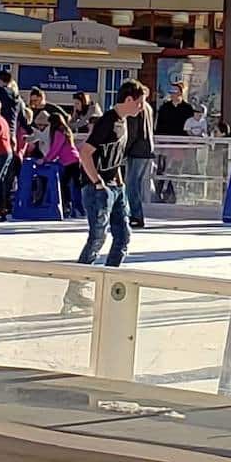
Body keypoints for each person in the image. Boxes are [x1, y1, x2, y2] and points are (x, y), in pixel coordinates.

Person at [62, 80, 144, 313]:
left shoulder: (125, 122)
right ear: (128, 100)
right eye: (139, 103)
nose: (141, 107)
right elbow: (85, 153)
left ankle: (108, 288)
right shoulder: (107, 121)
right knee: (97, 237)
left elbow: (115, 156)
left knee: (123, 236)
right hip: (98, 188)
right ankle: (76, 290)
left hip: (115, 187)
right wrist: (97, 183)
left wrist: (118, 183)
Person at [123, 83, 155, 229]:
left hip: (137, 150)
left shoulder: (137, 108)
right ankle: (134, 213)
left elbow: (132, 132)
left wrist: (124, 149)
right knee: (136, 183)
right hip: (147, 149)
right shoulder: (148, 107)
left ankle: (136, 215)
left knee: (131, 184)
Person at [45, 110, 84, 219]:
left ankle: (70, 206)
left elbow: (55, 149)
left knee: (65, 185)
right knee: (76, 185)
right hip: (74, 159)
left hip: (70, 162)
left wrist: (45, 160)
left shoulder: (58, 132)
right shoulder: (66, 130)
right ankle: (79, 207)